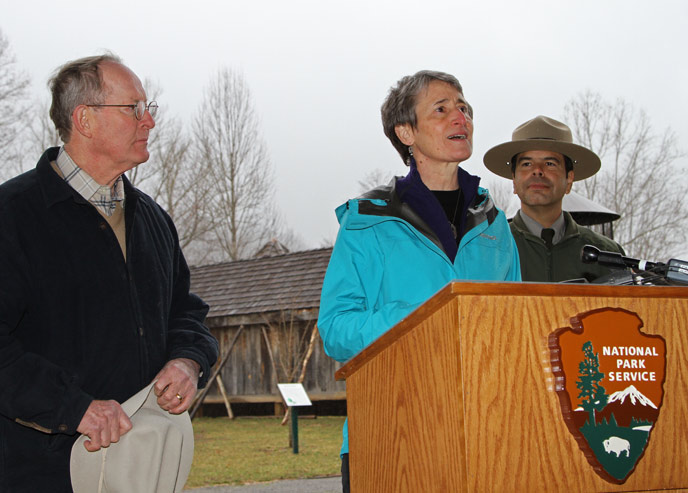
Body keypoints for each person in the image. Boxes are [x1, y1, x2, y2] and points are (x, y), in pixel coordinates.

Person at [0, 54, 218, 492]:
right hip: (39, 474)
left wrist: (188, 361)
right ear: (85, 119)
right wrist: (73, 407)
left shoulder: (153, 218)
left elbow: (186, 314)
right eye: (133, 108)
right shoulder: (13, 215)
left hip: (141, 469)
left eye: (148, 109)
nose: (149, 122)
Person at [317, 70, 521, 492]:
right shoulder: (366, 221)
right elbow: (335, 329)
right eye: (442, 110)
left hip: (489, 432)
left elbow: (515, 320)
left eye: (464, 108)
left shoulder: (495, 223)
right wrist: (421, 319)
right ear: (405, 132)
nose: (460, 118)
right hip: (392, 434)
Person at [484, 115, 625, 282]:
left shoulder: (605, 253)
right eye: (526, 164)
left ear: (569, 179)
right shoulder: (489, 249)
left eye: (550, 163)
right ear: (514, 180)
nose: (537, 171)